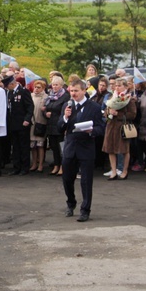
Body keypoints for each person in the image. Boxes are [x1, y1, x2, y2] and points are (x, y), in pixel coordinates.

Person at [59, 79, 105, 222]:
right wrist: (65, 118)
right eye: (71, 91)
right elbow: (59, 127)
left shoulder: (94, 107)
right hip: (70, 147)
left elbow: (101, 128)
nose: (73, 94)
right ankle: (70, 203)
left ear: (84, 90)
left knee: (86, 181)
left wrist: (92, 131)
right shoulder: (67, 106)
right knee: (67, 179)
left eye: (76, 91)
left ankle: (85, 210)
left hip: (86, 148)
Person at [102, 78, 137, 180]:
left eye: (119, 86)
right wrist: (108, 113)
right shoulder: (112, 97)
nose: (117, 87)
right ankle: (113, 171)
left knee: (124, 150)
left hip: (122, 127)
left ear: (126, 87)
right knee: (110, 149)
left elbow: (132, 114)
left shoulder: (128, 99)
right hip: (110, 126)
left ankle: (124, 170)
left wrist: (118, 114)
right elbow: (105, 110)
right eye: (116, 86)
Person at [4, 74, 34, 175]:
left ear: (12, 84)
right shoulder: (10, 93)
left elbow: (30, 106)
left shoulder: (23, 91)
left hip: (22, 123)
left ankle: (25, 167)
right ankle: (17, 166)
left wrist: (27, 119)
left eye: (8, 86)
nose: (7, 88)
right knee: (15, 146)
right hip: (13, 123)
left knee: (23, 146)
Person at [42, 75, 69, 176]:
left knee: (61, 147)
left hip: (60, 125)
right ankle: (56, 165)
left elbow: (65, 109)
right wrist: (45, 114)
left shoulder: (65, 96)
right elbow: (45, 108)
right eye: (53, 85)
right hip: (50, 125)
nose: (54, 87)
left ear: (61, 85)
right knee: (54, 147)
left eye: (57, 85)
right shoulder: (50, 95)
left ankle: (62, 166)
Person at [30, 79, 48, 172]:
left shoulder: (46, 97)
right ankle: (34, 163)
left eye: (38, 87)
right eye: (35, 87)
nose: (36, 89)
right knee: (33, 145)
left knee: (40, 145)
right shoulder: (31, 96)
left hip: (41, 122)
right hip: (32, 123)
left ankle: (40, 164)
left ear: (43, 88)